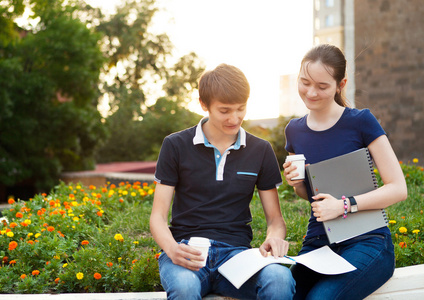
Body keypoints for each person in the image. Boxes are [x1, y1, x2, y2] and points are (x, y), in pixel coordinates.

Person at [150, 63, 295, 300]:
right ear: (203, 105)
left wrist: (273, 239)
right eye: (225, 110)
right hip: (187, 252)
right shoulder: (175, 145)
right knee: (185, 288)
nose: (235, 118)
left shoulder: (261, 150)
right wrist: (172, 249)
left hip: (237, 257)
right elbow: (157, 217)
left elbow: (275, 220)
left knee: (279, 279)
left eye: (241, 109)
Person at [283, 44, 408, 300]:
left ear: (341, 84)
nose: (311, 92)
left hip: (367, 241)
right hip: (319, 242)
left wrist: (344, 206)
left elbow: (398, 188)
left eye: (322, 86)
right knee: (284, 293)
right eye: (305, 82)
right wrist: (296, 183)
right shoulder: (294, 130)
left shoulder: (360, 121)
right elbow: (312, 196)